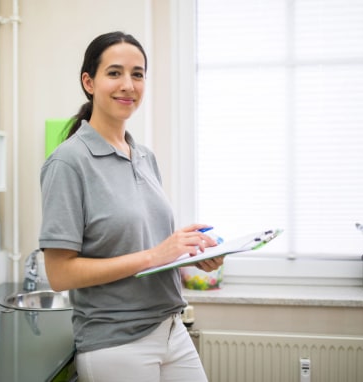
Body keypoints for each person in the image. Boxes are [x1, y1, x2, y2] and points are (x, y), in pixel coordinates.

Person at [39, 31, 224, 382]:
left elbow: (142, 242)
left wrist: (188, 254)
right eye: (115, 73)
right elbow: (60, 274)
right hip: (116, 343)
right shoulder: (68, 163)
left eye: (137, 74)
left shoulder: (144, 156)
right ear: (89, 82)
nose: (128, 84)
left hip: (170, 327)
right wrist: (156, 255)